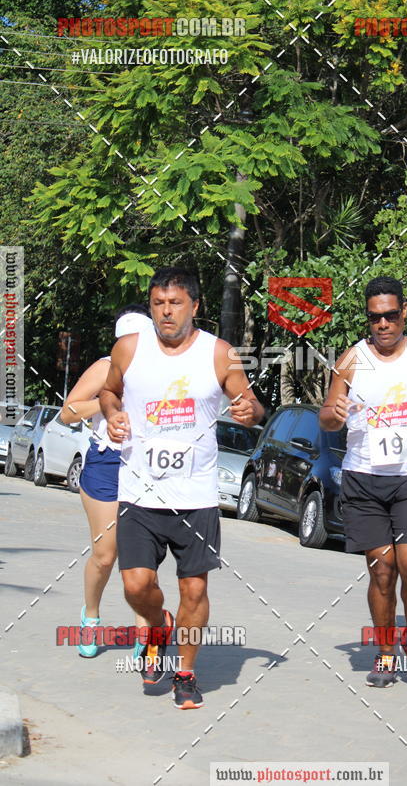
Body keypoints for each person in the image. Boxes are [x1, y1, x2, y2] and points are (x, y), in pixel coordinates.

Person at [100, 267, 264, 710]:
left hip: (195, 496)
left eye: (175, 304)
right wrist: (113, 413)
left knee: (194, 589)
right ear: (150, 306)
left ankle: (186, 674)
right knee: (136, 586)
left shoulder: (219, 353)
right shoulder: (129, 349)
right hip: (139, 490)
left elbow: (251, 403)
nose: (166, 312)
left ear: (194, 305)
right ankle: (157, 625)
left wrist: (249, 410)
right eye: (158, 304)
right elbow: (109, 392)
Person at [319, 276, 407, 689]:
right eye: (375, 317)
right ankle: (384, 652)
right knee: (382, 571)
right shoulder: (352, 359)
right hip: (364, 478)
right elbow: (325, 415)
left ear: (404, 314)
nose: (383, 325)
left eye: (391, 316)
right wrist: (334, 414)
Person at [61, 305, 155, 658]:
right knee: (105, 555)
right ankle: (91, 617)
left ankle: (143, 634)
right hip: (106, 464)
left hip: (147, 467)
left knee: (140, 554)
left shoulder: (161, 373)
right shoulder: (105, 368)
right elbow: (68, 410)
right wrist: (104, 403)